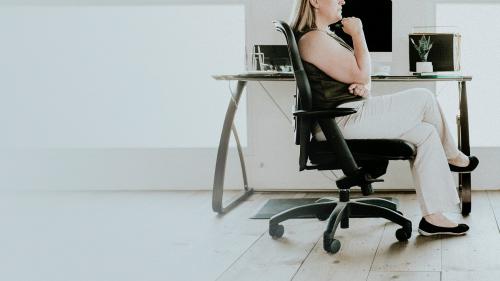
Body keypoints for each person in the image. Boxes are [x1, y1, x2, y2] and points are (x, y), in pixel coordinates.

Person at [290, 0, 479, 236]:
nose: (343, 1)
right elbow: (362, 72)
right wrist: (358, 34)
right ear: (315, 1)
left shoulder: (324, 36)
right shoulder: (314, 39)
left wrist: (365, 87)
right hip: (338, 122)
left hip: (347, 116)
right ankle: (452, 156)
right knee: (423, 97)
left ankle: (434, 217)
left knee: (426, 133)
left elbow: (361, 79)